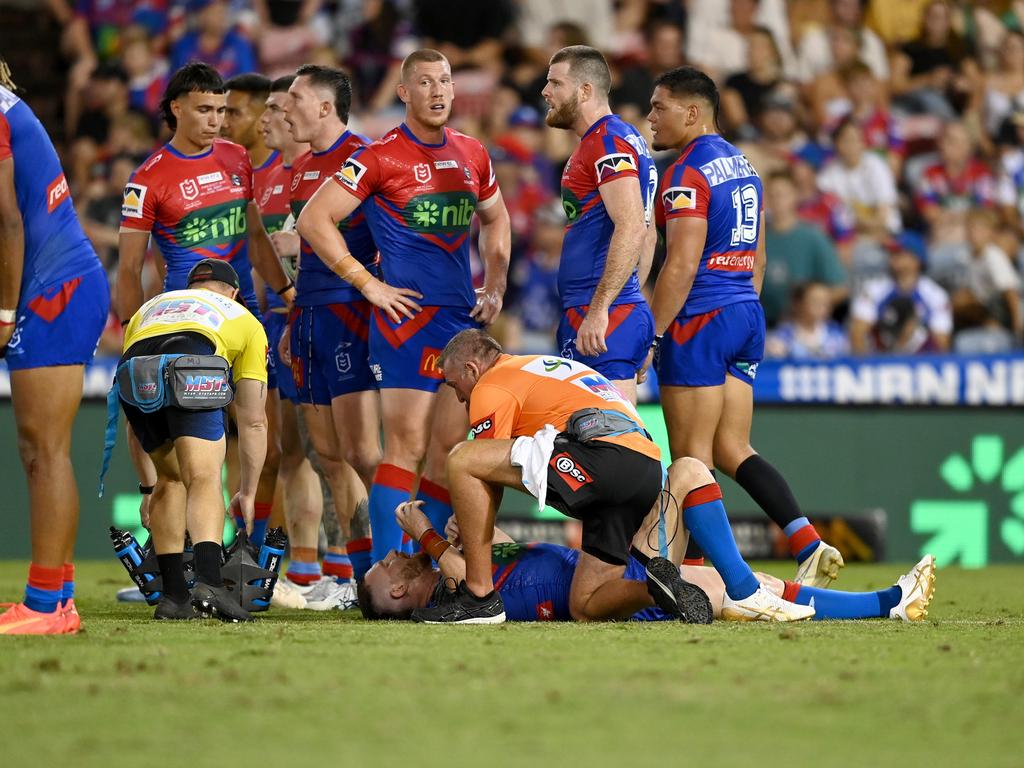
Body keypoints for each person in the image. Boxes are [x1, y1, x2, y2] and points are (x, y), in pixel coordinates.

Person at [410, 329, 814, 625]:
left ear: (470, 367)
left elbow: (483, 469)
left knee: (462, 457)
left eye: (453, 384)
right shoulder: (534, 368)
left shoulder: (492, 383)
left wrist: (458, 525)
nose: (458, 396)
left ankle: (479, 599)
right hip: (642, 464)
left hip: (603, 456)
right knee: (586, 605)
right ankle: (657, 589)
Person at [295, 49, 511, 566]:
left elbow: (497, 222)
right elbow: (314, 220)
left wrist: (496, 284)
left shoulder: (472, 153)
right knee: (406, 447)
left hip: (461, 320)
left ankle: (422, 570)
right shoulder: (379, 155)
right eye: (425, 82)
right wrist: (367, 283)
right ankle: (383, 572)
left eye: (445, 81)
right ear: (403, 92)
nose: (438, 91)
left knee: (446, 453)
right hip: (404, 321)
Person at [645, 66, 844, 588]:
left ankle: (702, 579)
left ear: (692, 112)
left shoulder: (684, 175)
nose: (649, 119)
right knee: (735, 449)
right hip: (744, 315)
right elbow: (757, 256)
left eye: (659, 107)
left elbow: (681, 265)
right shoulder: (745, 165)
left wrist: (654, 334)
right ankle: (807, 541)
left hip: (700, 320)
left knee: (691, 462)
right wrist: (739, 308)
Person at [362, 501, 936, 624]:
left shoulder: (458, 565)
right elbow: (473, 585)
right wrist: (432, 536)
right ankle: (886, 605)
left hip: (615, 565)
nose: (393, 556)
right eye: (385, 568)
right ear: (394, 595)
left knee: (687, 472)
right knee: (731, 587)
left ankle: (882, 602)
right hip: (616, 592)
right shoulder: (448, 597)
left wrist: (474, 528)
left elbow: (509, 548)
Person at [0, 59, 110, 635]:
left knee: (45, 450)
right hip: (58, 284)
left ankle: (44, 607)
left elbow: (8, 223)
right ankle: (58, 598)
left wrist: (2, 314)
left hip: (52, 287)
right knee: (41, 449)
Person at [113, 258, 268, 622]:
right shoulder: (242, 316)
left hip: (135, 368)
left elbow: (131, 419)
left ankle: (174, 598)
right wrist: (249, 489)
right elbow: (253, 420)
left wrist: (148, 489)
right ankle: (210, 585)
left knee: (171, 479)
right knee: (203, 476)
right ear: (234, 292)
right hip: (193, 360)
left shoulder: (150, 309)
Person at [117, 62, 295, 324]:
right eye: (204, 110)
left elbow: (256, 238)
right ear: (177, 108)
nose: (215, 121)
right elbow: (130, 269)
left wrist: (289, 294)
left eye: (220, 110)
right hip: (189, 319)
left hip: (245, 314)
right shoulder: (145, 179)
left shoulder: (237, 156)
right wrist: (131, 334)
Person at [541, 45, 656, 402]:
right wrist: (630, 300)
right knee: (597, 442)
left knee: (615, 442)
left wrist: (602, 308)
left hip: (603, 314)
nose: (545, 92)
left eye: (555, 83)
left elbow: (633, 226)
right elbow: (647, 233)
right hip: (608, 311)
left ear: (585, 90)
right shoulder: (615, 139)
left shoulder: (607, 142)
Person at [255, 74, 331, 602]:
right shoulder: (258, 176)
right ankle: (281, 563)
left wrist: (299, 249)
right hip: (268, 318)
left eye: (276, 107)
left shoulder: (318, 170)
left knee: (319, 450)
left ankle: (321, 565)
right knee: (279, 451)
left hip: (308, 316)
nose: (265, 118)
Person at [221, 71, 282, 548]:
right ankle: (227, 548)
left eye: (233, 112)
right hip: (223, 323)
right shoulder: (225, 172)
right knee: (225, 446)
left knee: (278, 450)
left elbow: (263, 248)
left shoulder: (287, 172)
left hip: (273, 324)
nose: (223, 122)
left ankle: (285, 557)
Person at [849, 233, 953, 354]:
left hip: (920, 362)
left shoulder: (936, 295)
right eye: (891, 253)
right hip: (879, 359)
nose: (892, 257)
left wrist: (915, 326)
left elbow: (942, 344)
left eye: (899, 253)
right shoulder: (874, 289)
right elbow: (858, 334)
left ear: (916, 260)